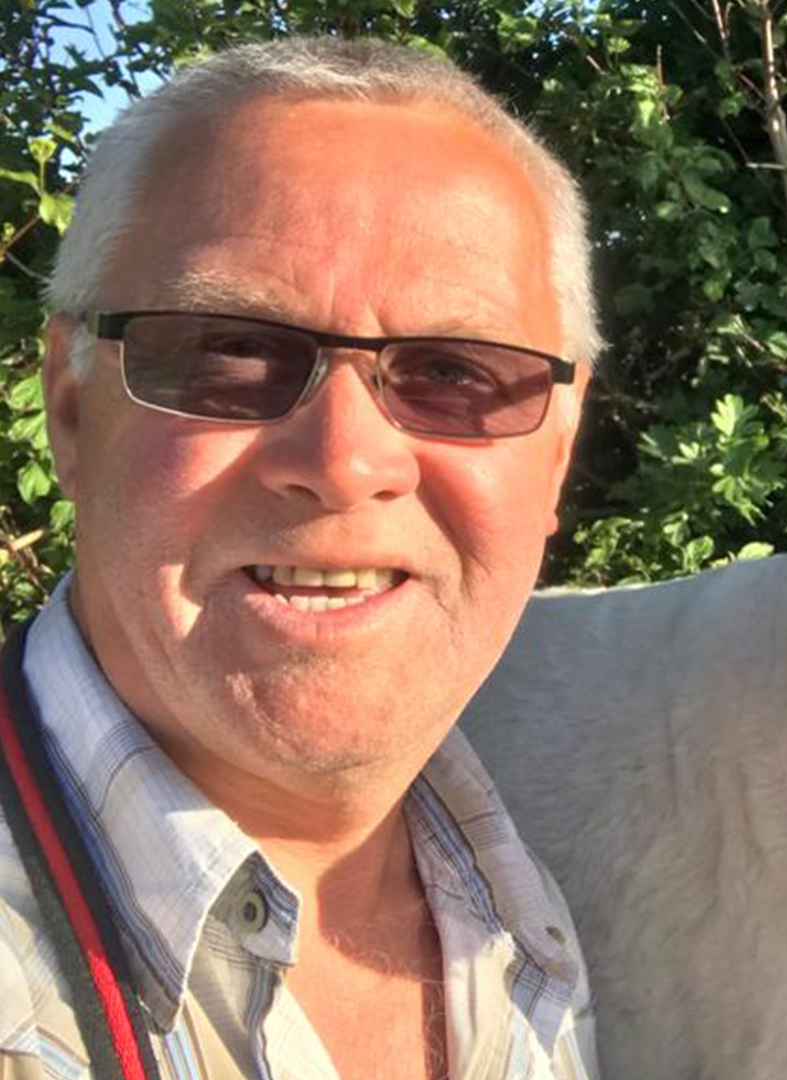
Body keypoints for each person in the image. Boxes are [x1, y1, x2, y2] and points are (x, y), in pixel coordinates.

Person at [0, 37, 600, 1080]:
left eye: (455, 373)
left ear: (557, 451)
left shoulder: (517, 903)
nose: (345, 461)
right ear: (72, 408)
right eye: (230, 351)